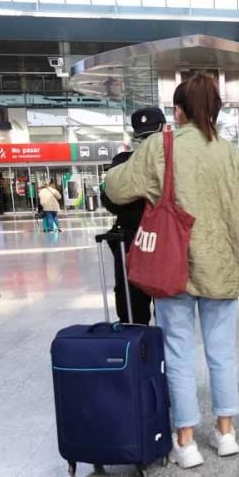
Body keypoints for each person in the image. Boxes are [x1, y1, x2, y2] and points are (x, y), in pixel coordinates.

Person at [105, 75, 239, 469]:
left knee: (178, 352)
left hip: (173, 265)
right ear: (216, 111)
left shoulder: (161, 145)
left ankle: (186, 443)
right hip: (221, 265)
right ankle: (226, 435)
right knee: (222, 353)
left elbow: (117, 189)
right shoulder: (229, 153)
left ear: (178, 111)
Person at [101, 107, 166, 325]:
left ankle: (143, 355)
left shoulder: (122, 162)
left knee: (134, 313)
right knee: (163, 315)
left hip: (133, 242)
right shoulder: (170, 161)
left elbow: (111, 202)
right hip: (158, 241)